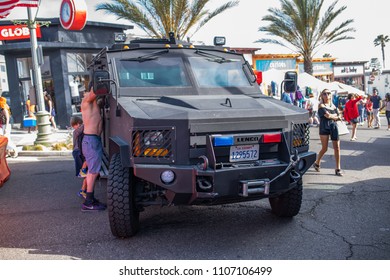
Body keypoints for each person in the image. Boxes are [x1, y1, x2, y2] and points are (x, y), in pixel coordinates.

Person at [80, 82, 105, 211]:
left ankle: (90, 199)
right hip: (90, 140)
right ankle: (88, 202)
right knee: (93, 172)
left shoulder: (95, 103)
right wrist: (101, 81)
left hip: (94, 140)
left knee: (93, 171)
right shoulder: (87, 101)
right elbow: (95, 92)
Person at [313, 89, 343, 176]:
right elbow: (328, 115)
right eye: (324, 94)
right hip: (324, 127)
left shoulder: (333, 106)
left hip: (333, 127)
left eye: (328, 93)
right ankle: (317, 162)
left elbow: (339, 115)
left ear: (330, 95)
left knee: (337, 148)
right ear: (321, 96)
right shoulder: (321, 105)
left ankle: (338, 168)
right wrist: (335, 116)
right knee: (324, 148)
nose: (326, 95)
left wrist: (335, 116)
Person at [70, 116, 88, 199]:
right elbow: (82, 127)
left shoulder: (78, 131)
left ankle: (83, 190)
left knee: (86, 174)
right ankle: (83, 190)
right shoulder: (76, 132)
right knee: (85, 173)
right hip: (78, 152)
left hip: (78, 152)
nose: (74, 127)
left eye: (74, 125)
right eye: (74, 126)